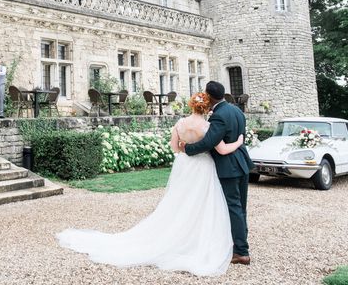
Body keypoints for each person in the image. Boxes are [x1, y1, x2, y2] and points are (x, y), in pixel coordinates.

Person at [57, 91, 244, 276]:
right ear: (206, 107)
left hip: (185, 166)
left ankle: (178, 235)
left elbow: (175, 148)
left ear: (191, 105)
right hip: (203, 166)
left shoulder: (180, 124)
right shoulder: (208, 126)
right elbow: (221, 148)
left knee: (179, 201)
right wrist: (238, 142)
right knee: (203, 203)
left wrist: (185, 148)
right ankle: (198, 239)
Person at [181, 81, 255, 266]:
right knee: (240, 207)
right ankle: (239, 243)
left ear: (209, 97)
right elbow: (240, 135)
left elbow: (209, 142)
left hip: (228, 167)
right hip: (242, 163)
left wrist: (188, 148)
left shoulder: (218, 116)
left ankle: (241, 251)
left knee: (233, 207)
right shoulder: (236, 110)